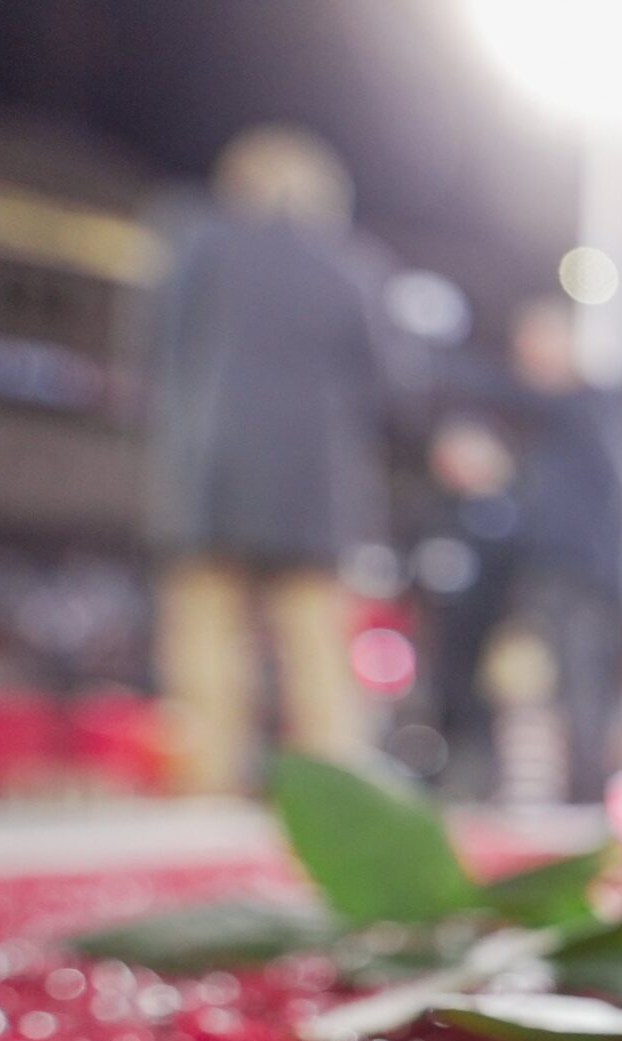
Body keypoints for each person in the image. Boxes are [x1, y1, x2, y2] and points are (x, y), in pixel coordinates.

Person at [143, 126, 402, 794]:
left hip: (215, 470)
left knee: (206, 628)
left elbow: (161, 352)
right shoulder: (354, 263)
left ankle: (206, 784)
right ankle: (336, 793)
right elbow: (390, 382)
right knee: (315, 642)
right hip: (315, 480)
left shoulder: (198, 239)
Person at [494, 297, 622, 802]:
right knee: (546, 692)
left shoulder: (591, 408)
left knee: (580, 696)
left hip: (582, 577)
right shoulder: (565, 424)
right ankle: (559, 800)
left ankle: (584, 807)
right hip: (564, 574)